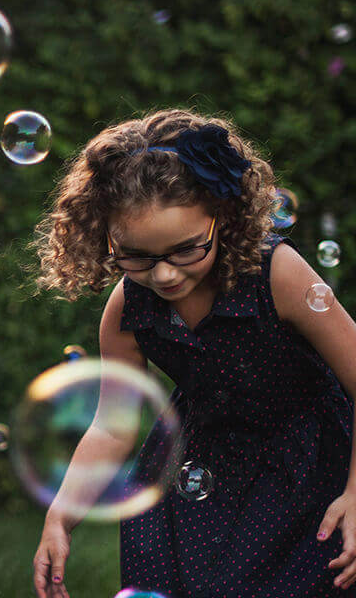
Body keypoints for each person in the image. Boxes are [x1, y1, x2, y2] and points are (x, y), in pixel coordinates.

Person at [30, 108, 356, 597]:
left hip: (308, 463)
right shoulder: (127, 306)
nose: (163, 275)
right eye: (136, 256)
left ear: (223, 217)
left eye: (186, 250)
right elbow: (112, 425)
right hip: (199, 466)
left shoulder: (278, 275)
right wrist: (61, 515)